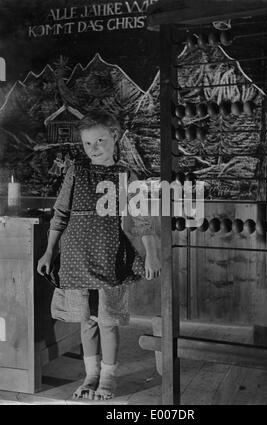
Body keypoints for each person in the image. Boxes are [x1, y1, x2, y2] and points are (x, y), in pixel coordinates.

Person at [37, 110, 161, 401]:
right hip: (75, 258)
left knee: (107, 320)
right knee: (87, 321)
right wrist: (48, 252)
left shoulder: (125, 176)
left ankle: (108, 378)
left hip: (109, 258)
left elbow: (142, 219)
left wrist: (152, 255)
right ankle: (90, 376)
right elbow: (60, 215)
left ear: (115, 137)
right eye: (88, 144)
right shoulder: (75, 172)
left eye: (100, 141)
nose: (94, 149)